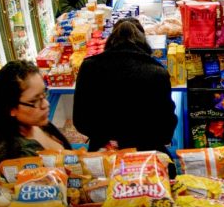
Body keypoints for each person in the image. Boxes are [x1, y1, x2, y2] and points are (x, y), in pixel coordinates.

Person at [74, 18, 177, 151]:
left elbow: (81, 122)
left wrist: (108, 136)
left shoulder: (88, 67)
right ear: (144, 42)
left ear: (110, 40)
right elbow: (165, 131)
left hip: (103, 153)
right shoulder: (157, 72)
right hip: (146, 155)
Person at [0, 61, 72, 171]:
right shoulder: (14, 157)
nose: (46, 104)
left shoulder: (35, 124)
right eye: (34, 101)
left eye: (44, 94)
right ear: (11, 108)